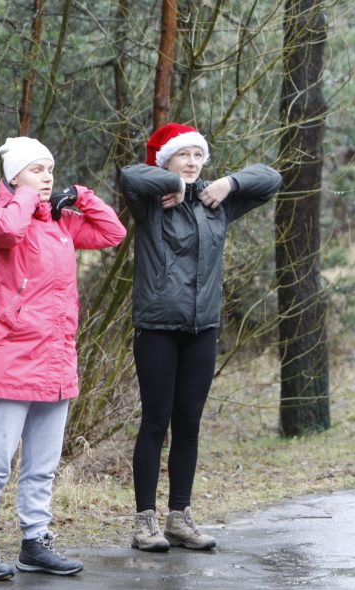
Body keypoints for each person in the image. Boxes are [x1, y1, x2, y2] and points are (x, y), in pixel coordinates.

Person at [0, 137, 127, 580]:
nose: (48, 176)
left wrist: (82, 197)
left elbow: (114, 232)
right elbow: (9, 231)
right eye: (37, 169)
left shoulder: (60, 223)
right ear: (14, 176)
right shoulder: (3, 216)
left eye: (50, 169)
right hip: (12, 357)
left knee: (43, 464)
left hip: (56, 359)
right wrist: (25, 195)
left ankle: (35, 541)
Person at [120, 123, 281, 552]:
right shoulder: (151, 204)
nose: (191, 163)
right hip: (157, 327)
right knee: (155, 422)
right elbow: (129, 175)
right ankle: (144, 523)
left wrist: (227, 184)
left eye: (197, 156)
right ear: (168, 161)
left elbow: (271, 179)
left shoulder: (218, 204)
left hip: (202, 329)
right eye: (182, 156)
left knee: (188, 424)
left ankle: (179, 517)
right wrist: (174, 185)